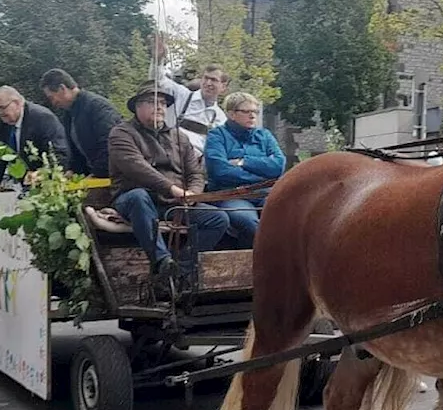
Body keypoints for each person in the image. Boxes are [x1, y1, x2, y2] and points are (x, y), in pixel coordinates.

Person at [108, 80, 230, 293]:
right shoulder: (121, 134)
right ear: (137, 107)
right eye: (152, 102)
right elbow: (137, 168)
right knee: (138, 197)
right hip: (134, 199)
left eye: (164, 103)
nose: (160, 107)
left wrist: (193, 194)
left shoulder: (178, 136)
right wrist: (173, 189)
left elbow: (195, 172)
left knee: (218, 219)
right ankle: (162, 261)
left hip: (174, 203)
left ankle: (178, 270)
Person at [204, 92, 286, 249]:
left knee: (290, 214)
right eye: (246, 111)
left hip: (264, 193)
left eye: (255, 112)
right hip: (231, 195)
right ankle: (253, 265)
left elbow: (278, 166)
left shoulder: (265, 136)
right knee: (249, 222)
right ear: (231, 114)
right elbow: (220, 171)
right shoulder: (217, 136)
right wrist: (262, 174)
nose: (252, 116)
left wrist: (243, 162)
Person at [40, 69, 120, 179]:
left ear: (62, 88)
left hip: (112, 176)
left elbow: (110, 145)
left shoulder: (98, 107)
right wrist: (73, 170)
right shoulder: (69, 114)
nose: (53, 103)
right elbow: (76, 153)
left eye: (51, 97)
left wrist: (96, 174)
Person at [0, 85, 69, 188]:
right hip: (25, 183)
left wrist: (41, 174)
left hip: (49, 182)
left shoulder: (42, 118)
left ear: (17, 103)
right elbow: (1, 152)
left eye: (2, 107)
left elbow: (59, 153)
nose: (0, 113)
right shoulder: (2, 122)